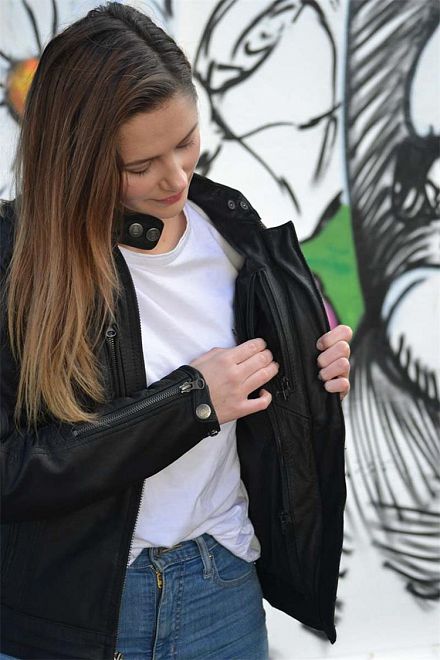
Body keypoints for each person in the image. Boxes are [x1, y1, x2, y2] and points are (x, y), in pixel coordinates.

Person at [0, 3, 351, 659]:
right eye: (140, 166)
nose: (177, 178)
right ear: (73, 159)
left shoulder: (234, 227)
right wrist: (191, 402)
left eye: (187, 141)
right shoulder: (13, 263)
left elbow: (276, 405)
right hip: (70, 621)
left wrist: (317, 364)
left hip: (223, 591)